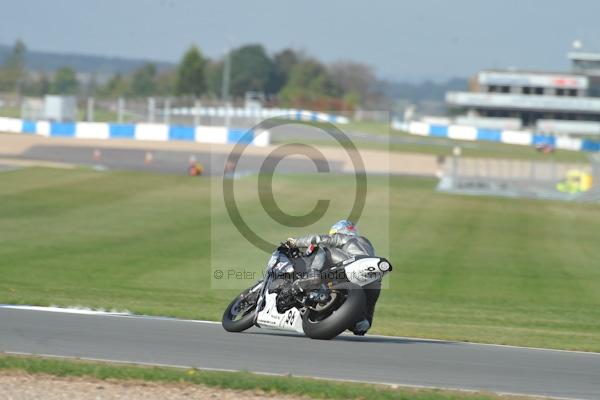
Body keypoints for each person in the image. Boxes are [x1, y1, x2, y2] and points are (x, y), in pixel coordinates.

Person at [285, 220, 381, 336]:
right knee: (367, 313)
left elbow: (317, 239)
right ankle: (360, 320)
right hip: (373, 279)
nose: (333, 236)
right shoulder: (366, 243)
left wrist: (295, 243)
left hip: (351, 264)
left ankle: (313, 274)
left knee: (322, 248)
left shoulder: (344, 237)